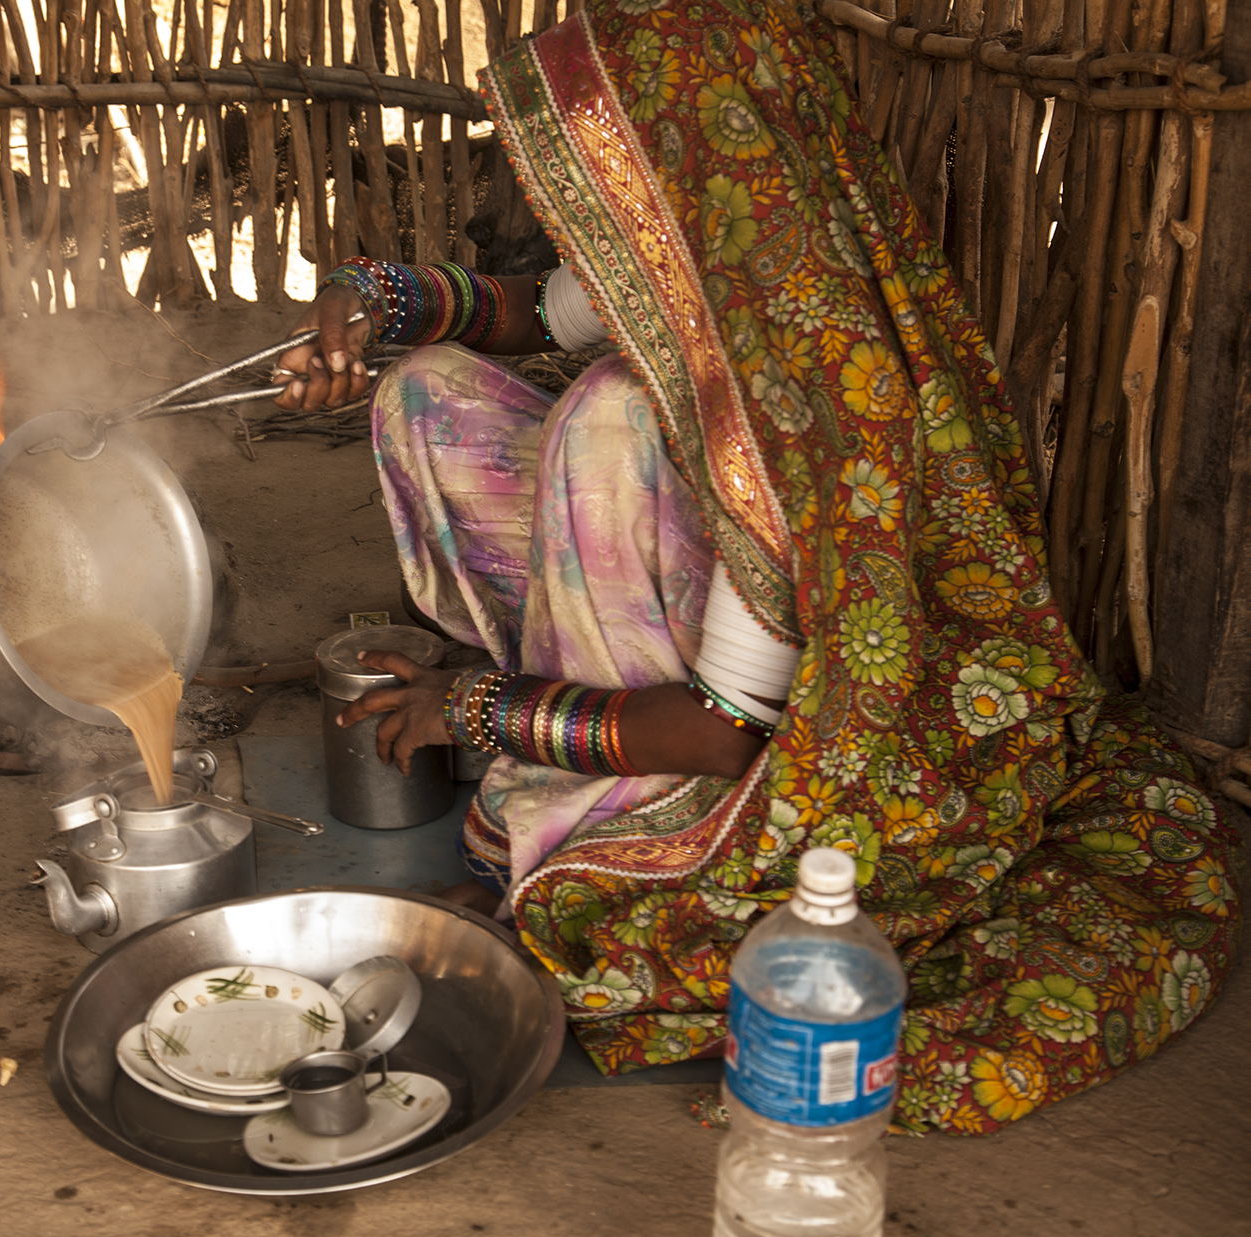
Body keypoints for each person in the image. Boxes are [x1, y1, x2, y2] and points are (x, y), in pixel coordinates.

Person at [272, 0, 1241, 1134]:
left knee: (607, 419)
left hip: (742, 726)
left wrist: (480, 708)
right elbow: (536, 307)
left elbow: (722, 728)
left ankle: (608, 822)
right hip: (676, 599)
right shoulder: (697, 255)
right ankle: (548, 712)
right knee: (427, 388)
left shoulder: (804, 400)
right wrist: (372, 301)